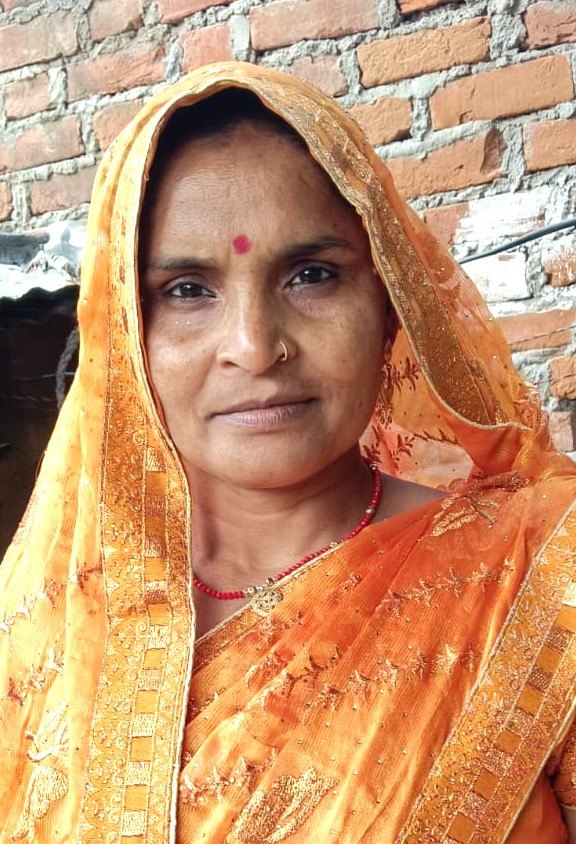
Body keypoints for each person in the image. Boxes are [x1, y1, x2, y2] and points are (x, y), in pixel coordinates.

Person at [0, 61, 575, 843]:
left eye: (311, 275)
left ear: (391, 305)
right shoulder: (46, 617)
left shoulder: (540, 580)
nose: (254, 345)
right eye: (187, 290)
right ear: (125, 336)